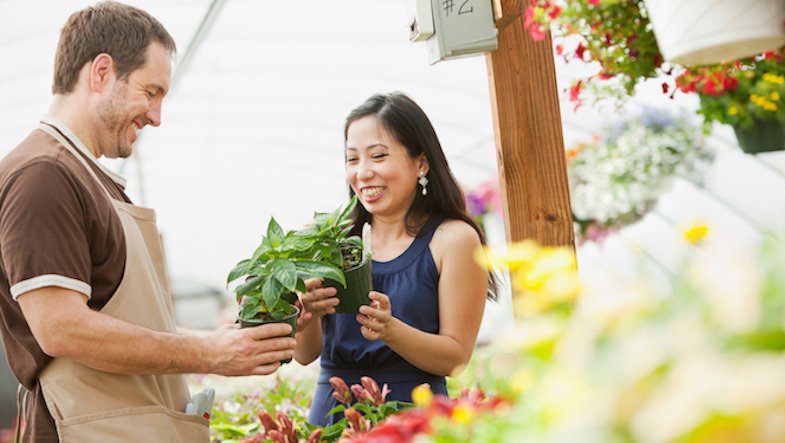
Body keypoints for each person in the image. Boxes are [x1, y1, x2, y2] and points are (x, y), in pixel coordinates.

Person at [0, 3, 295, 442]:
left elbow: (129, 320)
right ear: (101, 72)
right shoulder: (43, 174)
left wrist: (237, 339)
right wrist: (206, 353)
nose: (156, 116)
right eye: (150, 92)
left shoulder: (91, 178)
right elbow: (61, 328)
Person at [294, 92, 497, 425]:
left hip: (413, 419)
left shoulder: (453, 239)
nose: (363, 172)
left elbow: (455, 358)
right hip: (333, 415)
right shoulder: (329, 239)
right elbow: (305, 355)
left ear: (421, 162)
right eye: (352, 159)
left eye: (378, 156)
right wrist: (305, 317)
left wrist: (390, 330)